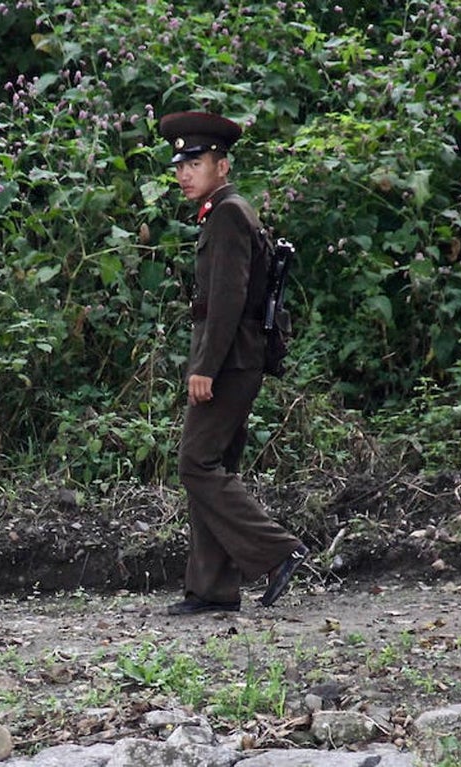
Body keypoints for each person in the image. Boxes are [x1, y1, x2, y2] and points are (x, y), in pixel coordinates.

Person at [159, 111, 309, 616]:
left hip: (228, 361)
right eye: (180, 166)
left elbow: (226, 300)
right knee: (214, 466)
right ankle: (212, 589)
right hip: (238, 358)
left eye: (195, 164)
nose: (184, 174)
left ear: (222, 166)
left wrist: (205, 367)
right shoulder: (224, 210)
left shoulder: (226, 213)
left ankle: (278, 550)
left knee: (196, 464)